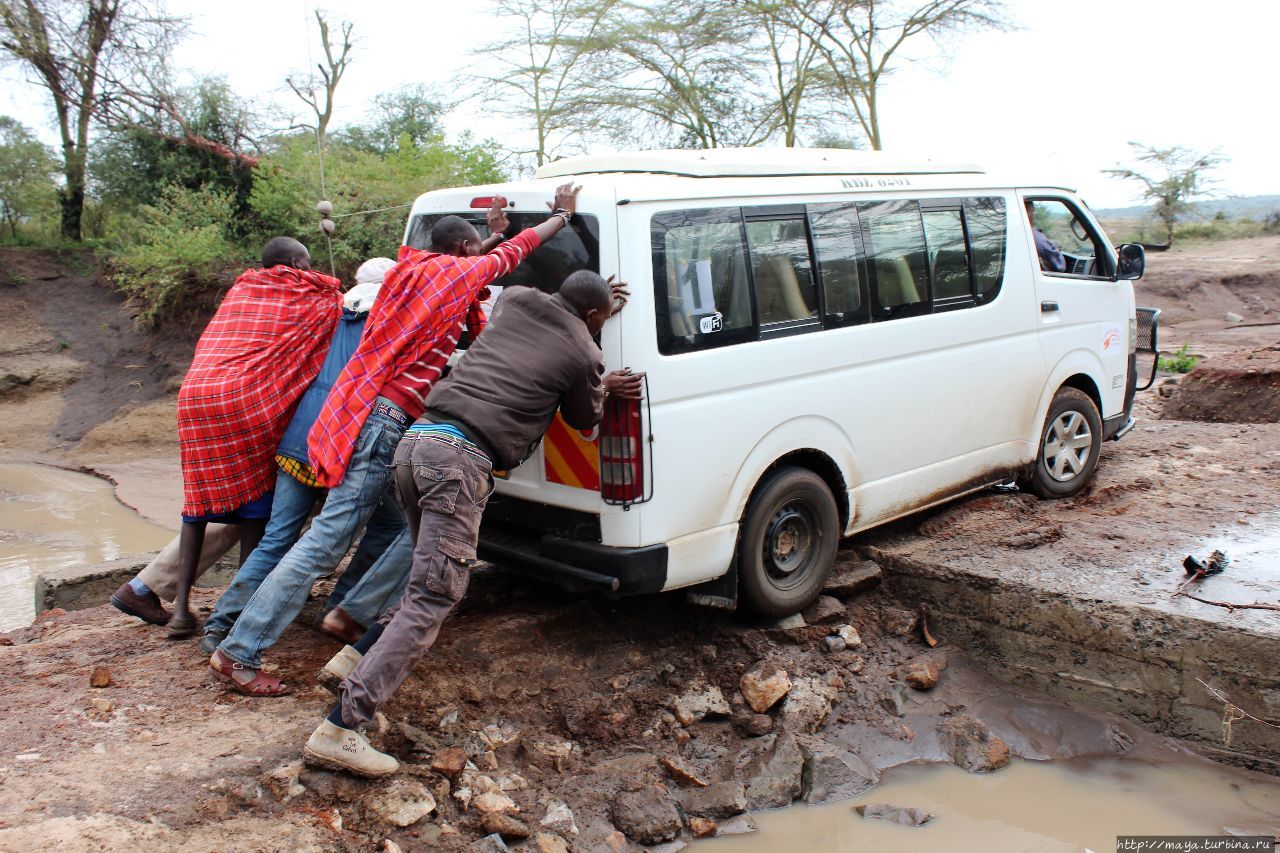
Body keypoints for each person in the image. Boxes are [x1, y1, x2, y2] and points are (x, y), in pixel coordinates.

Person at [207, 184, 586, 694]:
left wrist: (492, 235)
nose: (484, 257)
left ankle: (352, 613)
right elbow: (514, 256)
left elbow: (482, 282)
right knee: (323, 543)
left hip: (373, 415)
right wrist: (560, 216)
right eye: (478, 250)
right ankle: (240, 649)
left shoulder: (411, 270)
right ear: (463, 253)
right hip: (385, 420)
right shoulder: (448, 273)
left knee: (406, 527)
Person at [303, 269, 640, 777]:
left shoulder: (519, 299)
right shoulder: (583, 352)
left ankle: (353, 661)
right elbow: (582, 418)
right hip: (459, 463)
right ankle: (342, 727)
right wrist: (604, 386)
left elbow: (543, 308)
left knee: (423, 578)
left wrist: (589, 306)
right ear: (596, 317)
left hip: (415, 444)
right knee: (436, 596)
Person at [112, 258, 397, 631]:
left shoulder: (260, 298)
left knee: (252, 515)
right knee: (353, 517)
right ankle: (304, 608)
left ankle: (160, 590)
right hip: (303, 424)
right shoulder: (340, 312)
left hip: (246, 411)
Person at [196, 258, 408, 673]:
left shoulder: (329, 314)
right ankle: (343, 605)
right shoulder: (387, 321)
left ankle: (221, 623)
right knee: (383, 527)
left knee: (279, 537)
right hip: (345, 437)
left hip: (299, 435)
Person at [165, 237, 342, 638]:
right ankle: (241, 603)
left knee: (196, 506)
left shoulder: (241, 290)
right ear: (296, 264)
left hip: (195, 394)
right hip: (246, 398)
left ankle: (179, 609)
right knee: (256, 503)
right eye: (307, 265)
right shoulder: (307, 293)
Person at [1026, 200, 1066, 273]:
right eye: (1033, 212)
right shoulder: (1036, 238)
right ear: (1029, 213)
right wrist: (1054, 247)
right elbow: (1060, 267)